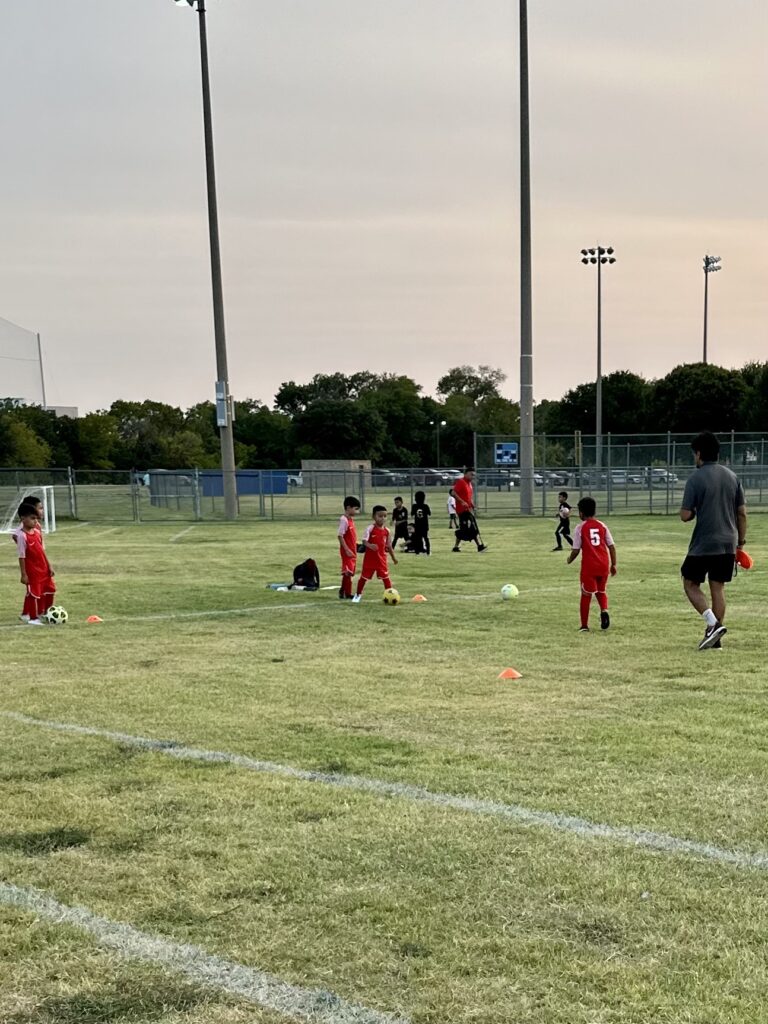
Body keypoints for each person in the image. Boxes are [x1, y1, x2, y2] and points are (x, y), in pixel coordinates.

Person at [679, 431, 747, 650]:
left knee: (690, 583)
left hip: (703, 543)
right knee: (717, 588)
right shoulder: (732, 476)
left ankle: (712, 624)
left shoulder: (695, 478)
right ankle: (716, 637)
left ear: (699, 453)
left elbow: (685, 515)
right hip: (728, 542)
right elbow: (742, 513)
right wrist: (740, 544)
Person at [567, 496, 616, 632]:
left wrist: (569, 559)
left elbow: (576, 549)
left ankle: (584, 625)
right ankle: (604, 610)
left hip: (589, 566)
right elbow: (611, 546)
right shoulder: (602, 525)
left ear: (581, 513)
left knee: (586, 594)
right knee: (601, 591)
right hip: (603, 564)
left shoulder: (580, 528)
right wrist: (614, 564)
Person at [16, 502, 56, 625]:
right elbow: (22, 556)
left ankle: (46, 613)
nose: (35, 521)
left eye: (36, 518)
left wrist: (49, 565)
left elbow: (42, 551)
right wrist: (24, 574)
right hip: (32, 571)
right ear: (23, 518)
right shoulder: (22, 536)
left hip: (43, 568)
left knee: (50, 590)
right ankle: (33, 618)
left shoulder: (37, 532)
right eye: (32, 518)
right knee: (34, 594)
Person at [353, 505, 397, 602]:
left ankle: (390, 595)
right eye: (380, 516)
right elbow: (364, 541)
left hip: (381, 560)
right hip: (370, 560)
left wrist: (393, 558)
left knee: (386, 578)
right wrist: (370, 545)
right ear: (373, 517)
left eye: (385, 516)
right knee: (363, 578)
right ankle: (357, 595)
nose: (383, 518)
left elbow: (389, 546)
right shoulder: (370, 528)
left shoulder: (387, 531)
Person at [451, 468, 487, 553]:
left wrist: (471, 504)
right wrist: (461, 502)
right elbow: (453, 493)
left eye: (474, 475)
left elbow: (468, 497)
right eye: (471, 474)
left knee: (471, 528)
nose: (473, 476)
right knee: (468, 528)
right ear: (466, 474)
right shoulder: (461, 482)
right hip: (461, 510)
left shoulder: (469, 484)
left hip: (468, 509)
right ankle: (479, 546)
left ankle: (457, 547)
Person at [337, 496, 360, 600]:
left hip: (352, 550)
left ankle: (342, 591)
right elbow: (340, 535)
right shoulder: (344, 520)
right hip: (347, 550)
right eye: (355, 509)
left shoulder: (351, 520)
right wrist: (346, 549)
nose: (356, 511)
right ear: (348, 507)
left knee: (349, 572)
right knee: (348, 572)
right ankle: (347, 593)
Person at [411, 490, 432, 555]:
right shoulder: (425, 506)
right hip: (425, 525)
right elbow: (429, 513)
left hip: (417, 525)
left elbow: (412, 514)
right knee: (426, 538)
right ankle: (428, 551)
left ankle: (417, 551)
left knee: (417, 538)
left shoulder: (414, 506)